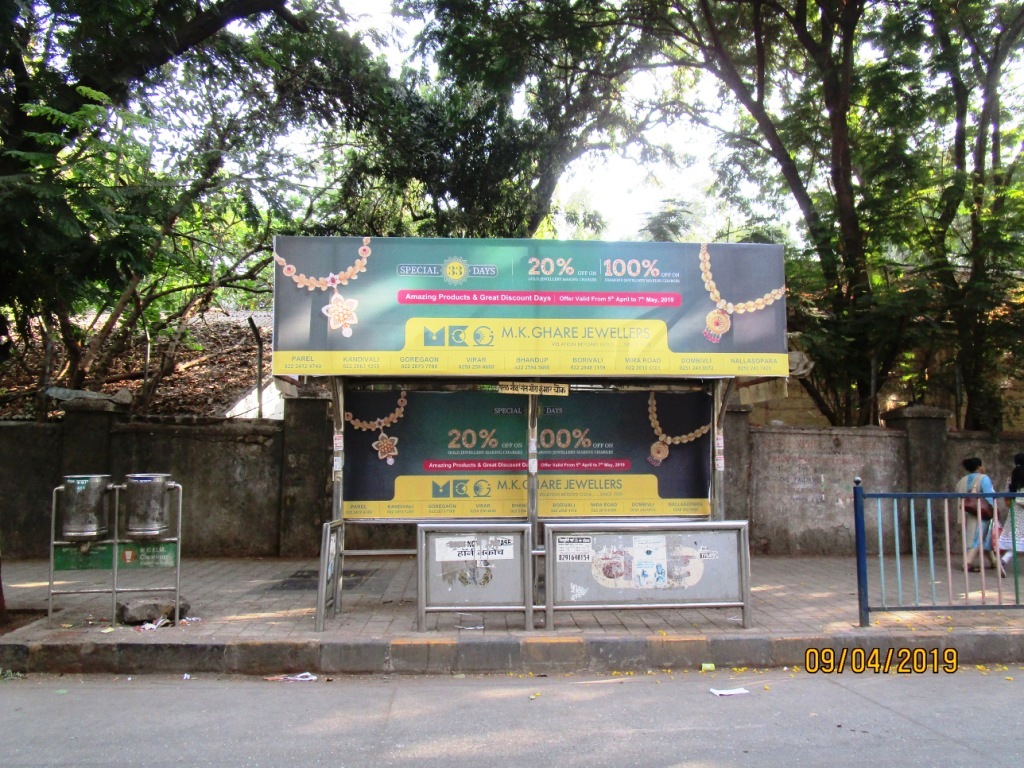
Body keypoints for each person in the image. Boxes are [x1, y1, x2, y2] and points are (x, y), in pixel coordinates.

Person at [957, 457, 1002, 574]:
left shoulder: (962, 480)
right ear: (979, 467)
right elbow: (989, 497)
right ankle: (967, 562)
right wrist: (994, 511)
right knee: (977, 538)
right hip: (981, 513)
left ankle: (994, 561)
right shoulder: (983, 478)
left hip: (967, 512)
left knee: (984, 537)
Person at [999, 452, 1024, 565]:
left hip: (1016, 509)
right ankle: (1004, 560)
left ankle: (1004, 559)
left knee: (1017, 539)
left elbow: (1007, 492)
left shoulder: (1013, 476)